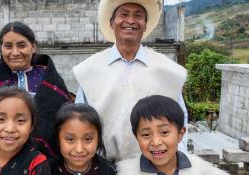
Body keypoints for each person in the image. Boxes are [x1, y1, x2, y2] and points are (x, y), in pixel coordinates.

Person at [73, 0, 188, 161]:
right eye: (124, 14)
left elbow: (180, 119)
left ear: (145, 25)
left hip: (155, 166)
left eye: (138, 16)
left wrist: (177, 163)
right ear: (112, 22)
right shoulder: (90, 70)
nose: (131, 20)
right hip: (105, 167)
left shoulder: (167, 70)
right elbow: (80, 121)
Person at [0, 21, 70, 168]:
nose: (15, 52)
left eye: (22, 45)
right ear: (1, 48)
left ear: (33, 46)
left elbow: (64, 123)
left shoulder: (51, 81)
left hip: (45, 163)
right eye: (8, 46)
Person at [116, 95, 228, 175]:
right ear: (136, 137)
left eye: (164, 132)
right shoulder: (125, 171)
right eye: (146, 134)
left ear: (180, 134)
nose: (156, 142)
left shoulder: (203, 171)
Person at [49, 103, 116, 175]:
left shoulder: (107, 170)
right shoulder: (47, 169)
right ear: (58, 139)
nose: (79, 149)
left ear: (98, 139)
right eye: (70, 139)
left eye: (87, 139)